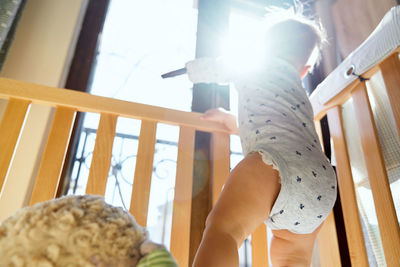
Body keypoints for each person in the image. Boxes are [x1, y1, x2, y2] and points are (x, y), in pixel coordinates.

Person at [185, 9, 337, 267]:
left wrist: (191, 70)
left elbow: (217, 67)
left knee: (224, 231)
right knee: (293, 257)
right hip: (323, 184)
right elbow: (274, 120)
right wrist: (231, 120)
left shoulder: (254, 65)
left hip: (276, 160)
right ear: (305, 69)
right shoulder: (298, 91)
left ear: (263, 47)